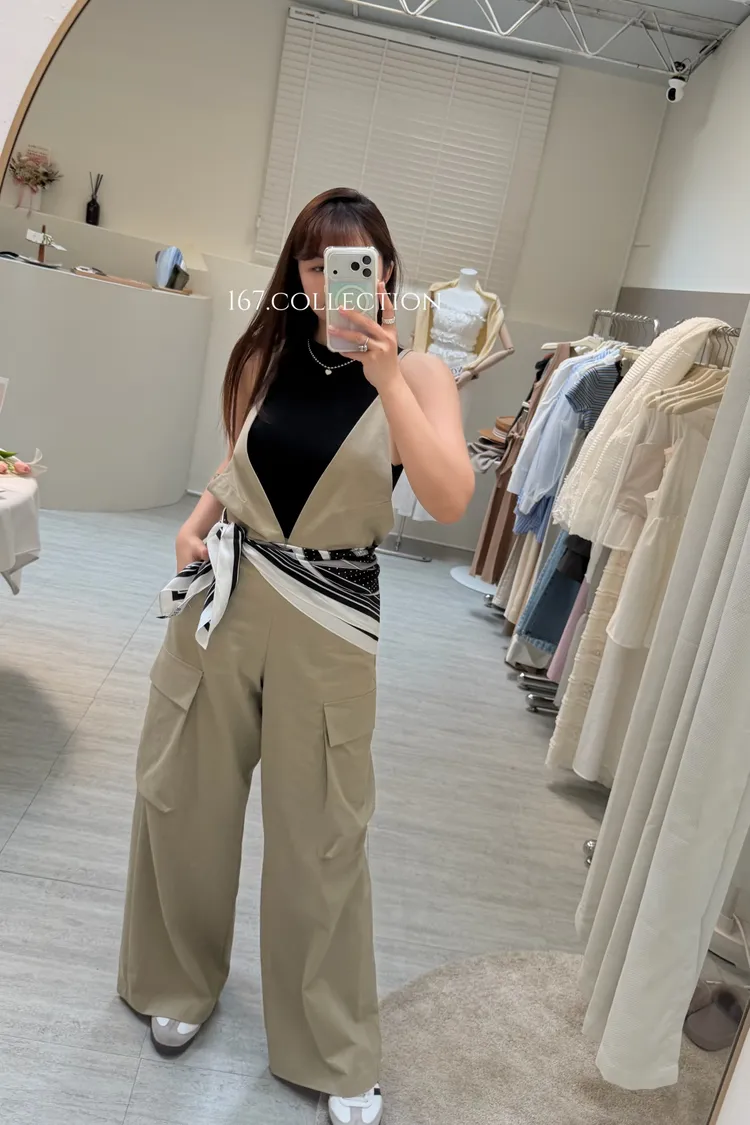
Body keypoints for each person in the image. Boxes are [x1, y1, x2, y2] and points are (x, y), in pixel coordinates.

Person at [117, 186, 475, 1125]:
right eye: (317, 264)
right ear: (297, 274)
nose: (333, 280)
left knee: (324, 836)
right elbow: (239, 459)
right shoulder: (263, 355)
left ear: (386, 271)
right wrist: (196, 522)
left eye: (356, 262)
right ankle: (176, 979)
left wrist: (386, 375)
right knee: (183, 797)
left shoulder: (424, 374)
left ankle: (331, 1045)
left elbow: (447, 497)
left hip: (332, 616)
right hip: (225, 596)